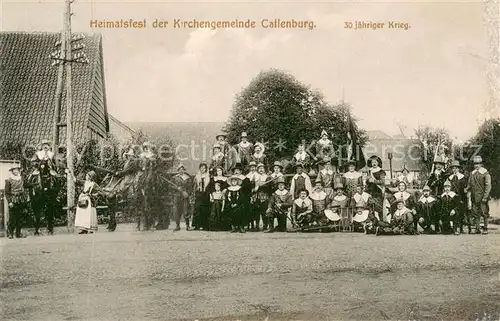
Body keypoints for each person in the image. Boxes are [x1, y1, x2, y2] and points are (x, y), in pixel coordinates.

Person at [467, 155, 491, 235]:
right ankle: (477, 229)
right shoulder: (472, 173)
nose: (476, 165)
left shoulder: (485, 173)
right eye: (475, 164)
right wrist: (466, 189)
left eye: (478, 163)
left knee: (484, 213)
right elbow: (469, 184)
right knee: (475, 213)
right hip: (474, 196)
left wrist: (485, 197)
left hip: (482, 197)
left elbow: (488, 186)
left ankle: (485, 228)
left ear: (481, 164)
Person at [4, 165, 29, 239]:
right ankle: (10, 233)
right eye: (14, 170)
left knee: (20, 217)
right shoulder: (9, 180)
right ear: (12, 171)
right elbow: (7, 193)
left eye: (17, 170)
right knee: (12, 217)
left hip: (21, 199)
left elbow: (26, 185)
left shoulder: (21, 178)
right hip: (13, 199)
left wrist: (35, 184)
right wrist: (10, 202)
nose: (16, 171)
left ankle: (18, 233)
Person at [73, 170, 101, 234]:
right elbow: (76, 180)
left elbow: (100, 191)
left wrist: (93, 195)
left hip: (89, 200)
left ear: (90, 177)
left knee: (89, 214)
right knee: (82, 213)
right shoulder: (84, 182)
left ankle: (90, 228)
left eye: (87, 175)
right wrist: (70, 173)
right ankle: (83, 229)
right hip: (83, 198)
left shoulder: (94, 184)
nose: (86, 176)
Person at [447, 160, 469, 233]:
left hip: (461, 197)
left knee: (462, 212)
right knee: (454, 211)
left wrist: (464, 196)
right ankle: (454, 227)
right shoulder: (450, 178)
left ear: (459, 169)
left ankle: (462, 228)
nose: (455, 170)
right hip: (452, 197)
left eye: (456, 168)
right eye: (453, 168)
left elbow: (465, 187)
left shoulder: (462, 177)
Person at [172, 163, 192, 231]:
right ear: (178, 170)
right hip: (177, 196)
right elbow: (170, 187)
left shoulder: (188, 178)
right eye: (179, 169)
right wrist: (177, 188)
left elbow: (190, 187)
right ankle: (177, 226)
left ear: (184, 170)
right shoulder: (174, 178)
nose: (181, 171)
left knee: (186, 211)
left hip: (185, 197)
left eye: (182, 169)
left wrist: (187, 193)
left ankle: (187, 226)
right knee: (177, 211)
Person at [192, 163, 211, 231]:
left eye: (204, 168)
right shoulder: (197, 176)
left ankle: (205, 226)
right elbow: (194, 186)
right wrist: (194, 194)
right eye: (202, 168)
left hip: (206, 194)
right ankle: (197, 225)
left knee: (205, 210)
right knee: (197, 209)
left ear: (206, 169)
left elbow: (210, 186)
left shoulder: (208, 176)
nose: (203, 169)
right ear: (200, 168)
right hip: (199, 194)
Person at [253, 163, 272, 231]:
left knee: (264, 211)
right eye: (259, 168)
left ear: (264, 169)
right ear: (257, 169)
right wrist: (254, 189)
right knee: (257, 212)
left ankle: (265, 225)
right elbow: (252, 185)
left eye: (262, 168)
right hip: (256, 196)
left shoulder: (267, 177)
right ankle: (257, 225)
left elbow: (269, 188)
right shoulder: (255, 176)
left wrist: (262, 186)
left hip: (264, 196)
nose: (261, 170)